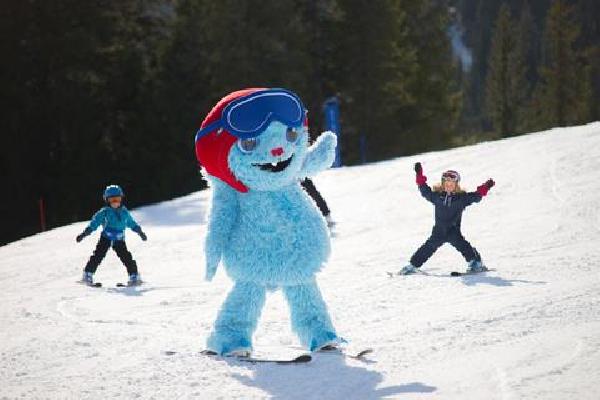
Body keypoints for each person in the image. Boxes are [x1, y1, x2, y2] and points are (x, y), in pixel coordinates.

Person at [195, 88, 342, 357]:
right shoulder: (233, 188)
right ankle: (230, 337)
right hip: (253, 252)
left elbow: (309, 161)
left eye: (290, 136)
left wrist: (323, 150)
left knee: (304, 289)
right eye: (250, 144)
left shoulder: (291, 169)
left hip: (296, 249)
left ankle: (320, 333)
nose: (277, 149)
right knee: (248, 293)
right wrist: (213, 251)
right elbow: (220, 217)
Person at [399, 162, 495, 275]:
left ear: (456, 184)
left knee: (463, 245)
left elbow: (476, 196)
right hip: (439, 231)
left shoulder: (461, 198)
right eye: (446, 183)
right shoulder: (437, 196)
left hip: (453, 230)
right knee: (428, 247)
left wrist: (485, 187)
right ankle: (413, 265)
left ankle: (476, 263)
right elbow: (425, 191)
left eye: (452, 183)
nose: (449, 185)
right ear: (443, 184)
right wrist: (419, 175)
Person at [76, 185, 147, 286]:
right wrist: (84, 234)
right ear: (107, 200)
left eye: (117, 199)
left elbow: (131, 223)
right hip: (106, 238)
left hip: (119, 239)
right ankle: (87, 274)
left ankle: (134, 275)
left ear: (121, 199)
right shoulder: (104, 212)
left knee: (126, 257)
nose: (115, 202)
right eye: (112, 200)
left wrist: (140, 232)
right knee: (98, 255)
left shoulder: (124, 212)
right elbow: (94, 223)